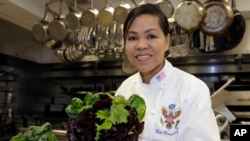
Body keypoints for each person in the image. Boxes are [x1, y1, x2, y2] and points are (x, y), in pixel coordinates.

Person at [115, 3, 221, 141]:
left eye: (151, 36)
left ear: (167, 41)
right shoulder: (124, 90)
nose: (141, 45)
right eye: (132, 38)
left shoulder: (192, 90)